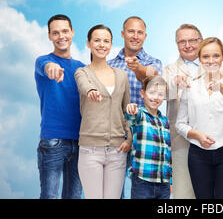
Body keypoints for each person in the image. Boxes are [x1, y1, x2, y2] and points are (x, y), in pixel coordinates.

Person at [175, 37, 223, 199]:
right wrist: (197, 135)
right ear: (199, 59)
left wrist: (220, 86)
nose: (211, 61)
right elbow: (180, 124)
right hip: (198, 155)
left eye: (216, 56)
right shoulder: (191, 86)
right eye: (205, 57)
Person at [74, 25, 132, 199]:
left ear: (111, 44)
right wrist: (91, 91)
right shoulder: (82, 72)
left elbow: (126, 111)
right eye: (97, 40)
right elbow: (84, 85)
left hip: (117, 151)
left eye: (106, 41)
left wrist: (129, 139)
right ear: (88, 44)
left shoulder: (122, 75)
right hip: (90, 150)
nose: (101, 45)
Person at [107, 16, 162, 198]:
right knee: (114, 191)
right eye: (131, 31)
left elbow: (151, 77)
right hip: (116, 137)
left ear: (145, 36)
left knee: (143, 193)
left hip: (145, 139)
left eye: (140, 32)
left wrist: (137, 67)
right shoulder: (110, 66)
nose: (135, 36)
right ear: (123, 34)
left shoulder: (154, 63)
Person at [34, 14, 84, 199]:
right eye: (55, 33)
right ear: (49, 36)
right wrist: (51, 68)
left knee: (74, 196)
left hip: (80, 143)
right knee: (50, 196)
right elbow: (46, 67)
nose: (61, 36)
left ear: (72, 32)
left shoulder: (82, 68)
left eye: (64, 31)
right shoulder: (42, 61)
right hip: (53, 141)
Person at [163, 24, 204, 199]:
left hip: (209, 141)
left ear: (200, 41)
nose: (187, 45)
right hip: (181, 142)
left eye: (192, 40)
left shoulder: (213, 64)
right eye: (182, 42)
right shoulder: (170, 69)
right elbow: (162, 92)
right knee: (183, 194)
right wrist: (174, 82)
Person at [126, 76, 172, 199]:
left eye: (161, 94)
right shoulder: (140, 116)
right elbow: (131, 117)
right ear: (142, 93)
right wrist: (131, 110)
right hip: (142, 181)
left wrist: (169, 179)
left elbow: (167, 152)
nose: (156, 97)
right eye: (151, 92)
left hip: (163, 183)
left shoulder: (165, 121)